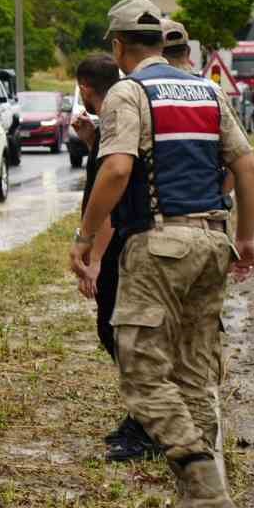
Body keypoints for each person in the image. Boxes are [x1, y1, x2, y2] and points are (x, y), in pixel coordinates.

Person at [70, 0, 254, 508]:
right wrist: (245, 237)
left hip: (159, 245)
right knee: (195, 371)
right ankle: (207, 494)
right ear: (161, 44)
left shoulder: (128, 93)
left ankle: (202, 487)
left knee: (139, 369)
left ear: (118, 47)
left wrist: (86, 238)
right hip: (212, 241)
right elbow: (246, 166)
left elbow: (115, 169)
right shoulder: (206, 90)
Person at [72, 53, 162, 463]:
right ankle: (143, 418)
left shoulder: (115, 120)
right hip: (137, 243)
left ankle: (148, 423)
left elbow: (112, 191)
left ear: (85, 88)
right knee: (124, 334)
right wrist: (90, 143)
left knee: (119, 335)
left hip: (121, 247)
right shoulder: (116, 124)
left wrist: (93, 257)